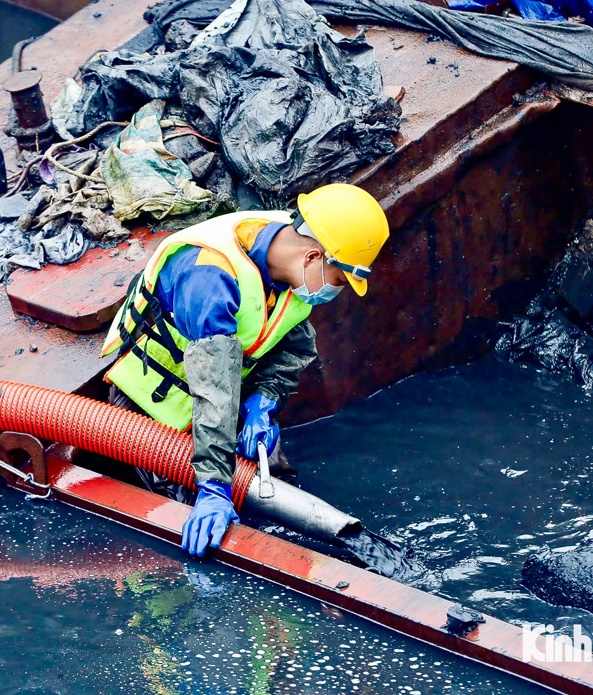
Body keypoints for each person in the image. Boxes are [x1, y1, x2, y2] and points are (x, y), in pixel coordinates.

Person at [99, 183, 389, 557]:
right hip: (152, 411)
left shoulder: (286, 259)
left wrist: (264, 400)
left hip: (225, 399)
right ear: (314, 256)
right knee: (185, 527)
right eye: (338, 281)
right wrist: (214, 488)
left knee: (272, 488)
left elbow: (295, 343)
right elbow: (213, 389)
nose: (336, 292)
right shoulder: (210, 277)